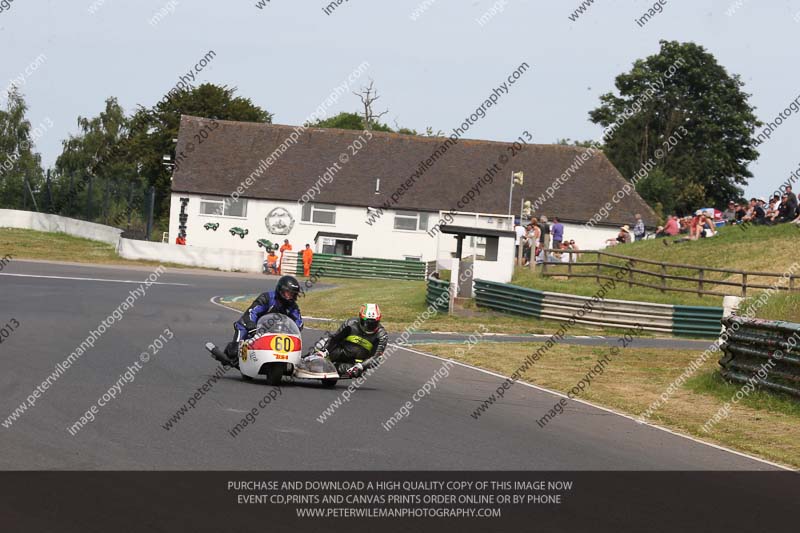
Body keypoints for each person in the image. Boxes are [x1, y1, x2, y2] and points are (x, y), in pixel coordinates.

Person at [221, 276, 303, 365]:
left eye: (292, 294)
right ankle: (229, 351)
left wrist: (293, 330)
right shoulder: (267, 298)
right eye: (288, 293)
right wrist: (251, 324)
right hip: (251, 327)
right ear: (280, 290)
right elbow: (252, 312)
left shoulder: (293, 306)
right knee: (234, 352)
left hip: (273, 331)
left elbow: (299, 322)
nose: (290, 296)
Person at [308, 303, 388, 378]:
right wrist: (325, 351)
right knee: (322, 343)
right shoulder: (350, 324)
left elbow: (376, 356)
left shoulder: (381, 335)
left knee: (378, 359)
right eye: (367, 323)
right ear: (361, 319)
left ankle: (336, 368)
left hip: (356, 362)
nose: (370, 326)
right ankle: (309, 361)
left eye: (373, 323)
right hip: (342, 351)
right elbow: (335, 339)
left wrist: (361, 366)